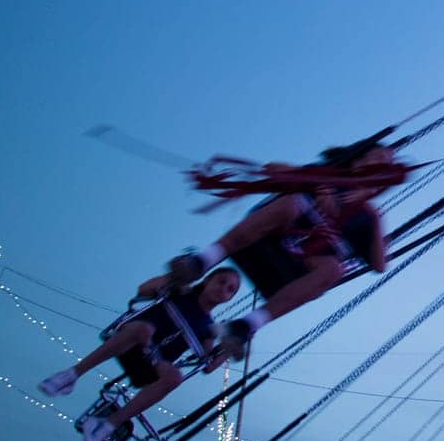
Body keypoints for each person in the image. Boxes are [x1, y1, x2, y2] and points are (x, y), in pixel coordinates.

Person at [167, 138, 400, 355]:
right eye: (380, 156)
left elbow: (380, 266)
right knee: (291, 204)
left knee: (334, 269)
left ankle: (245, 326)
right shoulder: (329, 174)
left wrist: (376, 216)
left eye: (388, 163)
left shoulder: (366, 218)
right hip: (261, 240)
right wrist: (319, 184)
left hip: (292, 270)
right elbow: (272, 168)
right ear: (360, 159)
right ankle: (202, 261)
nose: (385, 163)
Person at [38, 267, 242, 441]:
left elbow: (207, 365)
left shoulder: (209, 329)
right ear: (207, 280)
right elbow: (144, 289)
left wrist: (228, 349)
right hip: (132, 340)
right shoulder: (182, 292)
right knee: (144, 330)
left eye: (230, 289)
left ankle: (107, 425)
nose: (223, 288)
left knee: (174, 377)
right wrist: (175, 278)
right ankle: (71, 375)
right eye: (221, 281)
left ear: (229, 298)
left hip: (151, 363)